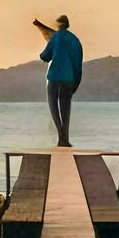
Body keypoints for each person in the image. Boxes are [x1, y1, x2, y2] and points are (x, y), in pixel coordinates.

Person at [32, 14, 83, 147]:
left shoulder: (56, 37)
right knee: (66, 109)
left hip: (54, 77)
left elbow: (45, 55)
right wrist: (76, 83)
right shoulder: (75, 40)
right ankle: (65, 139)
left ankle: (61, 136)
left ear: (58, 25)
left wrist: (43, 56)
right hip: (69, 79)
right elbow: (78, 63)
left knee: (53, 106)